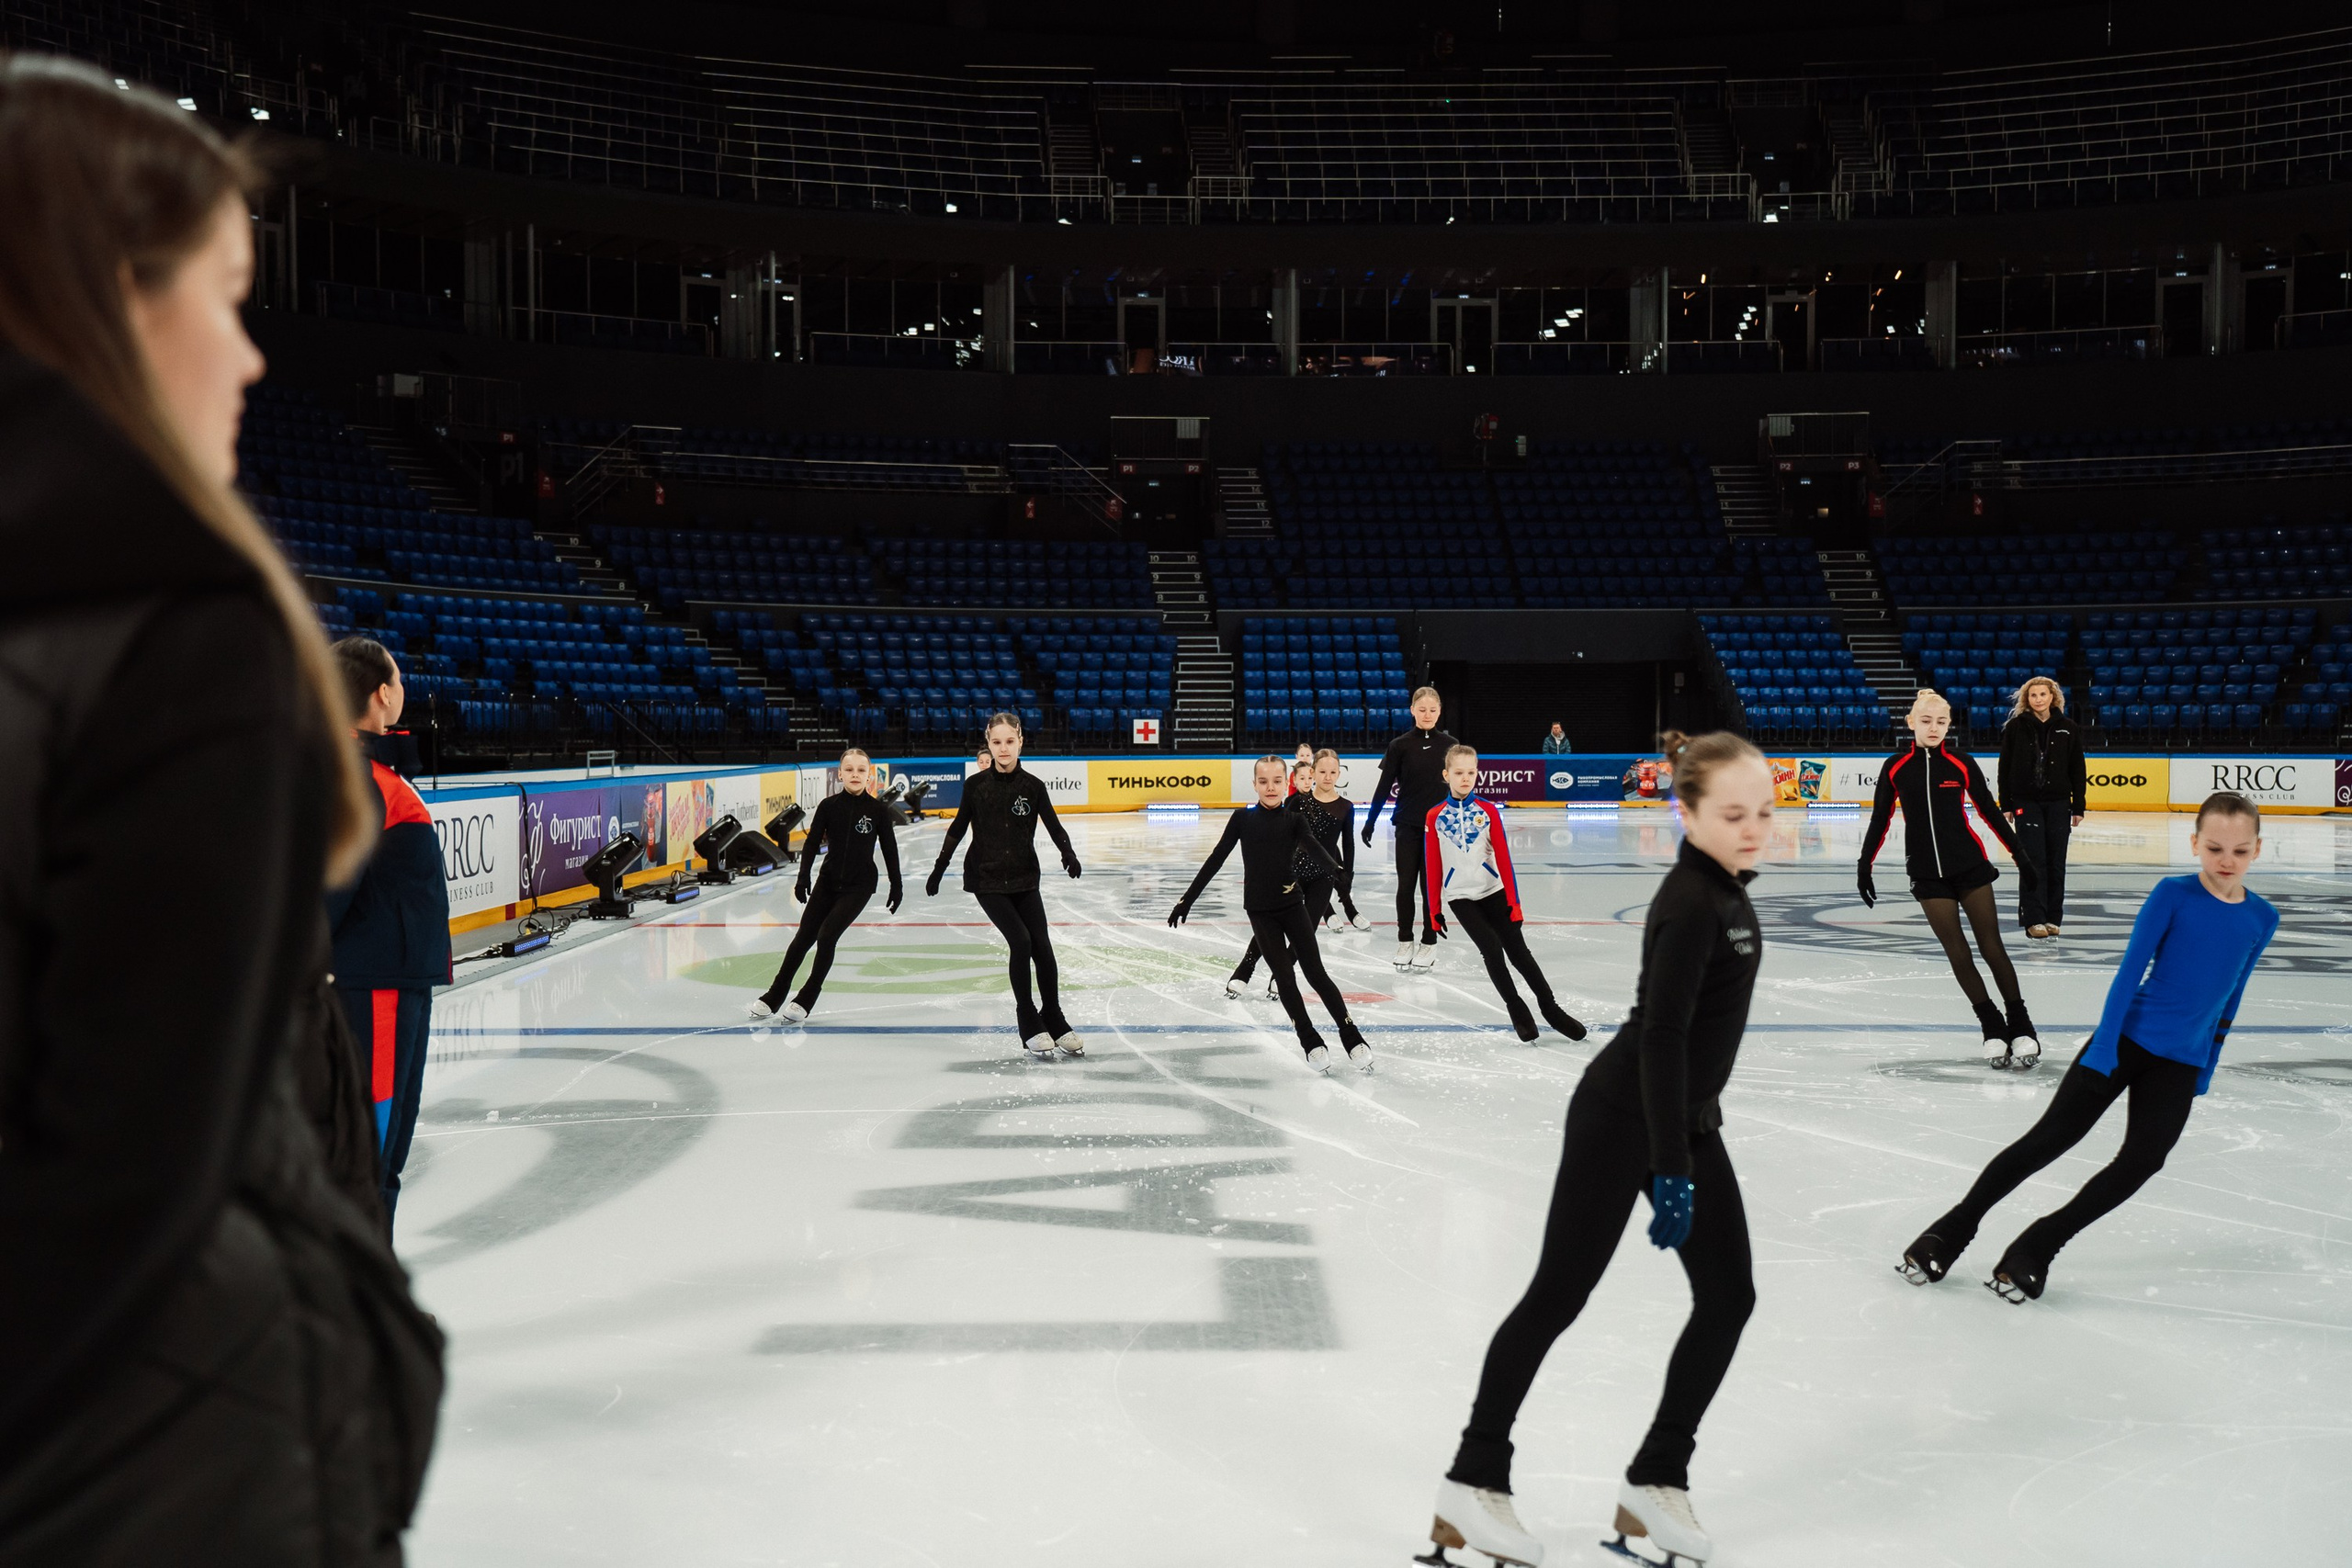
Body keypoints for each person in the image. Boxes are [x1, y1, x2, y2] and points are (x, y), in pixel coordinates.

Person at [0, 56, 440, 1561]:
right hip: (173, 1451)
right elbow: (146, 1174)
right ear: (113, 298)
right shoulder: (178, 633)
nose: (249, 358)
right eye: (228, 297)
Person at [1424, 732, 1774, 1568]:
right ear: (1687, 812)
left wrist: (1686, 1141)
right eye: (1733, 813)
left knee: (1729, 1295)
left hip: (1684, 1118)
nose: (1754, 827)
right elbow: (1662, 1037)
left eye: (1764, 811)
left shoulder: (1728, 892)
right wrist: (1673, 1165)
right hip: (1624, 1116)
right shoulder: (1692, 902)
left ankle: (1657, 1476)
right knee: (1557, 1294)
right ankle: (1472, 1481)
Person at [1900, 792, 2278, 1303]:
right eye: (2214, 849)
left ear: (2257, 849)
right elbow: (2129, 974)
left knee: (2143, 1161)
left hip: (2181, 1060)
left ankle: (2038, 1246)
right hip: (2124, 1041)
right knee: (2049, 1141)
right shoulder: (2173, 894)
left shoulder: (2261, 917)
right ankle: (1948, 1233)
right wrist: (2104, 1046)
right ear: (2195, 844)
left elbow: (2232, 994)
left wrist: (2208, 1062)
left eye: (2239, 851)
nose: (2226, 861)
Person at [326, 636, 452, 1232]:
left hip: (401, 981)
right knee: (370, 1151)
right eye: (399, 679)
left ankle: (373, 1273)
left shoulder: (375, 771)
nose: (403, 688)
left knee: (389, 1148)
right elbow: (331, 884)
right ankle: (355, 1282)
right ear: (381, 694)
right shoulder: (356, 776)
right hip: (374, 987)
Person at [1859, 689, 2042, 1068]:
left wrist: (2020, 855)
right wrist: (1865, 864)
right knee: (1958, 953)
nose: (1934, 728)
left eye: (1941, 722)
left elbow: (1990, 811)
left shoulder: (1961, 762)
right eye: (1926, 721)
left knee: (1992, 947)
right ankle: (1991, 1027)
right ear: (1911, 723)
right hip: (1927, 873)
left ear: (1949, 725)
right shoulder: (1895, 766)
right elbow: (1880, 818)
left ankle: (2021, 1025)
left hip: (1970, 867)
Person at [1171, 757, 1370, 1073]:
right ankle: (1310, 1041)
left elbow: (1315, 847)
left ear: (1285, 783)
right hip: (1260, 911)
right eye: (1263, 781)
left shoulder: (1294, 820)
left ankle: (1352, 1036)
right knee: (1285, 978)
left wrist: (1337, 871)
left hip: (1292, 906)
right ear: (1254, 784)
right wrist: (1188, 899)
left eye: (1277, 781)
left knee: (1315, 972)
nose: (1270, 787)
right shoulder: (1242, 819)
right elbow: (1216, 859)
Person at [928, 712, 1084, 1058]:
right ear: (988, 743)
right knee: (1021, 940)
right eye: (996, 742)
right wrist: (940, 867)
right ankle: (1027, 1019)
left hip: (1025, 877)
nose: (1003, 748)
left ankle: (1054, 1016)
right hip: (987, 879)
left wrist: (1068, 852)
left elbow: (1054, 825)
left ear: (1020, 742)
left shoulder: (1033, 787)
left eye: (1009, 741)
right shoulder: (975, 786)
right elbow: (957, 828)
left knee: (1042, 945)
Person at [1423, 746, 1587, 1044]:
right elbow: (1433, 865)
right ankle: (1518, 1011)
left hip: (1493, 891)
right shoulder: (1435, 816)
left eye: (1471, 772)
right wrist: (1434, 910)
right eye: (1459, 773)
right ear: (1446, 775)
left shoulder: (1488, 811)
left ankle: (1551, 1008)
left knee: (1519, 952)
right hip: (1460, 897)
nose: (1465, 778)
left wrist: (1515, 902)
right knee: (1491, 950)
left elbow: (1504, 858)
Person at [749, 748, 901, 1025]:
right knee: (803, 939)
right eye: (849, 769)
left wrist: (896, 884)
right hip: (828, 882)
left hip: (860, 885)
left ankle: (806, 999)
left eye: (861, 770)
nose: (855, 774)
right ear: (840, 774)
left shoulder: (878, 810)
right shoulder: (828, 806)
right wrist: (803, 876)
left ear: (869, 775)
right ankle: (774, 995)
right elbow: (811, 843)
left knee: (827, 935)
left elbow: (890, 848)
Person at [1227, 750, 1363, 998]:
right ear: (1312, 773)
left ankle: (1282, 974)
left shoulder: (1346, 807)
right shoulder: (1297, 802)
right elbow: (1276, 829)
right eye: (1322, 771)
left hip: (1323, 878)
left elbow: (1348, 844)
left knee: (1305, 932)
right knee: (1271, 926)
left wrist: (1347, 875)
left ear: (1339, 774)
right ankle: (1244, 970)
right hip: (1292, 874)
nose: (1328, 777)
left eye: (1333, 772)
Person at [1363, 685, 1459, 971]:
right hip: (1406, 825)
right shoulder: (1400, 745)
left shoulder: (1451, 745)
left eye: (1432, 710)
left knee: (1430, 887)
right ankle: (1405, 939)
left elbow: (1459, 787)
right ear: (1412, 711)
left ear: (1439, 712)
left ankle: (1429, 941)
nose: (1427, 714)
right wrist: (1371, 820)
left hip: (1438, 830)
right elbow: (1384, 786)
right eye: (1422, 709)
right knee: (1405, 886)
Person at [1997, 675, 2086, 941]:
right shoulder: (2015, 727)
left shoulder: (2068, 728)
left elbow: (2078, 768)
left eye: (2043, 694)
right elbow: (2004, 767)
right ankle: (2034, 919)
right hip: (2025, 802)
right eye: (2033, 695)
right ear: (2027, 699)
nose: (2038, 699)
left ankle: (2052, 918)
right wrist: (2006, 803)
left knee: (2056, 862)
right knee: (2032, 860)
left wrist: (2078, 806)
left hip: (2059, 803)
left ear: (2052, 697)